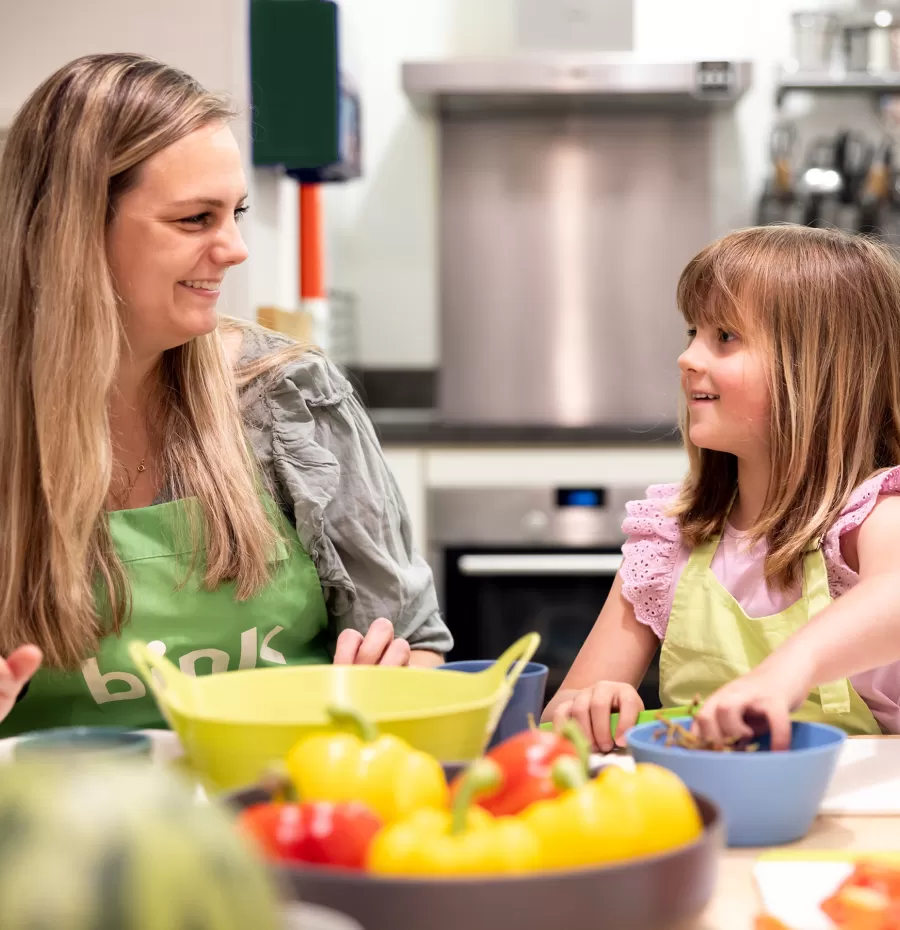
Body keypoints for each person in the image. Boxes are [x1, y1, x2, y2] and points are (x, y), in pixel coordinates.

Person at [0, 53, 451, 736]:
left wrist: (391, 682)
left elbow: (414, 645)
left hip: (281, 815)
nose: (235, 247)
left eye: (234, 213)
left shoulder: (288, 393)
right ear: (72, 230)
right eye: (194, 219)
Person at [544, 224, 900, 752]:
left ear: (819, 369)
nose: (688, 358)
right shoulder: (670, 537)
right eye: (693, 332)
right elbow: (560, 720)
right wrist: (591, 706)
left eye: (725, 337)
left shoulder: (872, 514)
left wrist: (787, 671)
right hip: (705, 814)